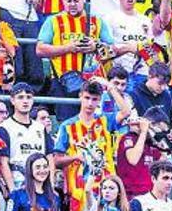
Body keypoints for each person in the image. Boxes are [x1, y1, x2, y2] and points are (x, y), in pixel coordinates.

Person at [38, 0, 118, 119]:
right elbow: (39, 50)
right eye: (68, 1)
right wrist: (69, 48)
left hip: (92, 82)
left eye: (76, 0)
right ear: (63, 0)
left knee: (95, 122)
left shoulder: (97, 21)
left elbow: (113, 49)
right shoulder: (53, 21)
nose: (72, 4)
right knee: (68, 123)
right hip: (63, 82)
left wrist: (96, 46)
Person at [54, 79, 132, 211]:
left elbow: (126, 111)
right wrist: (75, 157)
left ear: (100, 100)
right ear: (80, 96)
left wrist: (110, 87)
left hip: (106, 188)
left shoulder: (105, 120)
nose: (90, 103)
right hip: (80, 190)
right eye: (87, 98)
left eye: (95, 99)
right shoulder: (67, 126)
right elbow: (57, 160)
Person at [0, 83, 54, 190]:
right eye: (20, 97)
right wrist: (12, 190)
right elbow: (2, 162)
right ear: (12, 100)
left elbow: (50, 158)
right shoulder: (5, 128)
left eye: (29, 97)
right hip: (18, 182)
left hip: (40, 183)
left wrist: (51, 186)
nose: (25, 101)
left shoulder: (40, 128)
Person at [115, 107, 171, 198]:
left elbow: (163, 164)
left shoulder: (151, 145)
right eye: (159, 130)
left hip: (149, 196)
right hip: (130, 196)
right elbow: (133, 159)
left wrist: (163, 143)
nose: (160, 134)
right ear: (150, 125)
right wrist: (144, 132)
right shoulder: (129, 138)